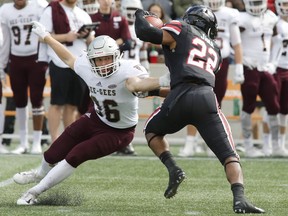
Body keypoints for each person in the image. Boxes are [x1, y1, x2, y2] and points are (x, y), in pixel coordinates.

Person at [13, 23, 170, 205]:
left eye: (107, 58)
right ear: (91, 60)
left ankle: (34, 192)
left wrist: (162, 81)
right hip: (95, 117)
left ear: (117, 57)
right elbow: (68, 59)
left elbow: (139, 85)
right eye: (98, 60)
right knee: (54, 151)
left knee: (76, 155)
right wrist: (47, 36)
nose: (103, 64)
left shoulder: (128, 70)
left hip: (118, 131)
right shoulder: (87, 67)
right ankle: (39, 173)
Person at [134, 5, 265, 213]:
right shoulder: (216, 50)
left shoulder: (181, 28)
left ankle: (173, 168)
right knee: (230, 155)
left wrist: (139, 14)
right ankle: (240, 198)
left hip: (179, 96)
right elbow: (196, 78)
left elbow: (146, 33)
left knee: (151, 129)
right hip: (206, 98)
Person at [179, 0, 245, 157]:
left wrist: (240, 66)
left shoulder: (230, 14)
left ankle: (213, 143)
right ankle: (190, 142)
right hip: (199, 60)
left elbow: (236, 43)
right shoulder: (196, 10)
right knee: (193, 100)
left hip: (221, 62)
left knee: (215, 104)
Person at [39, 0, 94, 143]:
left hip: (80, 63)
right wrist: (66, 37)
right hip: (59, 61)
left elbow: (91, 40)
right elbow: (42, 36)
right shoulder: (51, 9)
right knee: (57, 103)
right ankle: (54, 140)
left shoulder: (83, 14)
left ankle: (68, 141)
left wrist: (87, 35)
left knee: (72, 105)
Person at [239, 0, 287, 157]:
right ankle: (248, 146)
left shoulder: (271, 17)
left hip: (265, 68)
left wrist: (273, 62)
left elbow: (278, 42)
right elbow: (233, 42)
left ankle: (275, 146)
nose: (255, 4)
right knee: (249, 105)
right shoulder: (241, 18)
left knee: (274, 106)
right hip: (249, 67)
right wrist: (241, 60)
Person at [0, 0, 49, 154]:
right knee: (19, 101)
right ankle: (23, 142)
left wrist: (46, 58)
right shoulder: (6, 10)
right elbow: (6, 41)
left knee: (37, 99)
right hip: (16, 59)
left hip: (36, 58)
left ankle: (36, 142)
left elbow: (46, 34)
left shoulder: (39, 6)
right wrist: (1, 65)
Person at [90, 0, 137, 155]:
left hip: (117, 67)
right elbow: (89, 43)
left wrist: (108, 47)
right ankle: (98, 138)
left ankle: (125, 142)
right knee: (95, 103)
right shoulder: (91, 17)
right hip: (96, 68)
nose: (105, 1)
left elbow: (128, 41)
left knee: (123, 102)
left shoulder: (120, 18)